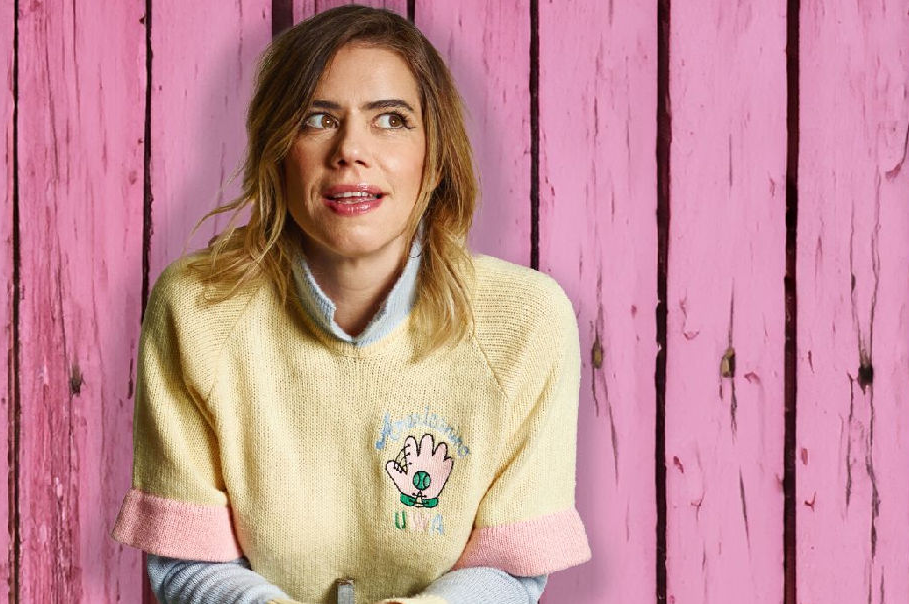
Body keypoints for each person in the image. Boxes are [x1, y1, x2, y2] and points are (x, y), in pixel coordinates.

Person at [111, 6, 591, 604]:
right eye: (317, 118)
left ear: (434, 157)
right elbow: (189, 566)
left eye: (390, 119)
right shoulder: (196, 312)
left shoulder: (527, 322)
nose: (351, 150)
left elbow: (508, 569)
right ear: (277, 150)